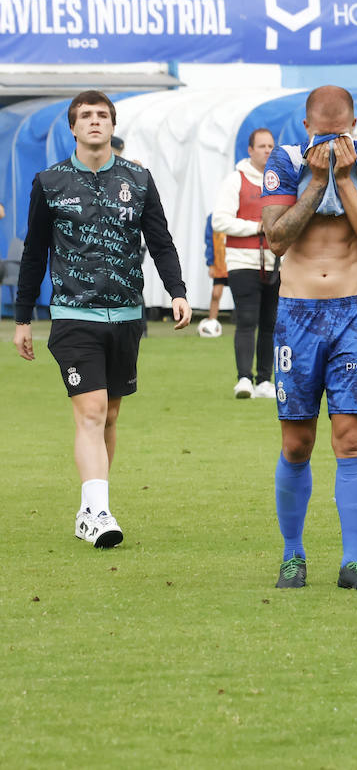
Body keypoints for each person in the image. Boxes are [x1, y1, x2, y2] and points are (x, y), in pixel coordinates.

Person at [12, 91, 191, 550]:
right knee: (90, 411)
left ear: (113, 125)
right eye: (86, 116)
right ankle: (99, 513)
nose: (94, 122)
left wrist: (177, 292)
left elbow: (161, 242)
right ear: (73, 127)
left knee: (109, 414)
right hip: (73, 316)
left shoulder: (139, 178)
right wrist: (23, 317)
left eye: (102, 116)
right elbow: (35, 253)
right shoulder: (50, 182)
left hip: (128, 316)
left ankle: (91, 507)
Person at [259, 85, 357, 592]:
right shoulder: (286, 160)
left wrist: (346, 180)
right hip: (296, 315)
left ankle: (353, 561)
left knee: (351, 438)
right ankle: (293, 555)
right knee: (297, 443)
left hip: (352, 316)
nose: (333, 142)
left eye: (341, 134)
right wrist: (316, 182)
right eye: (323, 134)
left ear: (354, 128)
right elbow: (276, 238)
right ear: (306, 128)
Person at [212, 127, 280, 400]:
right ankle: (244, 379)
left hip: (275, 264)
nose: (267, 151)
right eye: (262, 146)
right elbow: (220, 220)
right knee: (247, 320)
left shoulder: (280, 181)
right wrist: (257, 227)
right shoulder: (235, 180)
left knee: (270, 323)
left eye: (271, 146)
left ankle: (265, 380)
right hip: (243, 262)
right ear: (250, 150)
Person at [202, 213, 228, 333]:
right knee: (216, 293)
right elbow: (209, 242)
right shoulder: (213, 217)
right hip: (220, 263)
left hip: (235, 262)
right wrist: (211, 263)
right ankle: (212, 321)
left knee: (241, 294)